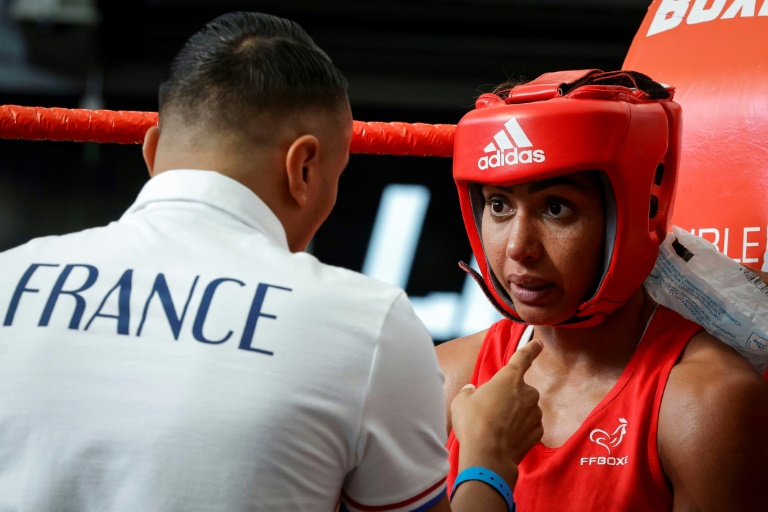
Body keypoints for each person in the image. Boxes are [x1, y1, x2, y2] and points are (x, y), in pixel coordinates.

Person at [0, 11, 541, 512]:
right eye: (337, 176)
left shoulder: (8, 276)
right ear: (304, 167)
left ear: (151, 151)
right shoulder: (362, 322)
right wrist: (487, 458)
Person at [437, 69, 768, 511]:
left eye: (556, 208)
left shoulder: (703, 404)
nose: (518, 247)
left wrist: (484, 470)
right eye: (499, 205)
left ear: (629, 218)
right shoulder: (447, 379)